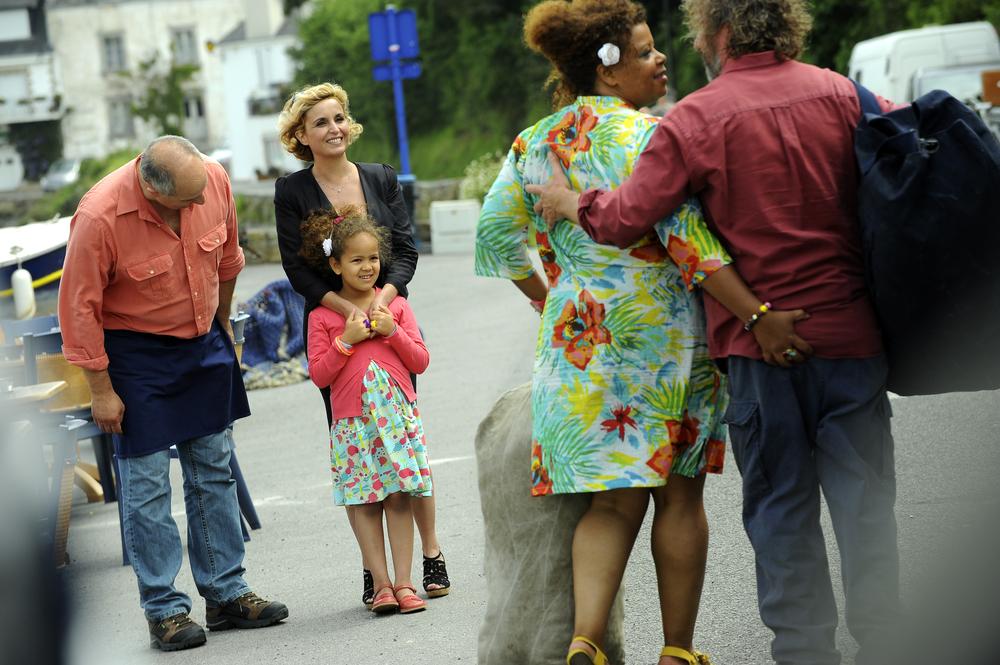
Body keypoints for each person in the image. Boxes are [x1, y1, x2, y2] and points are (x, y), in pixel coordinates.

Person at [527, 1, 901, 663]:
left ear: (721, 31)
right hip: (850, 337)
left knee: (781, 509)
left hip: (759, 353)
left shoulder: (696, 117)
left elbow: (630, 217)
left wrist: (569, 203)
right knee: (867, 506)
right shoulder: (845, 93)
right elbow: (908, 164)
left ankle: (805, 651)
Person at [473, 1, 770, 662]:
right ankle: (677, 650)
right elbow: (689, 243)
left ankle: (585, 639)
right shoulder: (650, 138)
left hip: (578, 349)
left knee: (608, 506)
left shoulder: (535, 142)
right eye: (643, 51)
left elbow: (495, 236)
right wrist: (754, 312)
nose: (660, 59)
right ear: (607, 72)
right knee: (680, 499)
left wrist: (548, 299)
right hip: (666, 347)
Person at [58, 135, 288, 652]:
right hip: (134, 357)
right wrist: (102, 389)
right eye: (187, 201)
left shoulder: (211, 180)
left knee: (214, 469)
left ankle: (227, 594)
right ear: (149, 186)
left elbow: (229, 261)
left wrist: (224, 325)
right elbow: (78, 308)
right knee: (146, 487)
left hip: (202, 338)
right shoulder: (100, 217)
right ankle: (164, 610)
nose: (200, 204)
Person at [275, 82, 450, 608]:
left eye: (339, 118)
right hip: (337, 328)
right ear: (301, 136)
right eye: (321, 123)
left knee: (405, 450)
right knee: (361, 459)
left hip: (385, 318)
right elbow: (295, 269)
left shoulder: (380, 178)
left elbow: (406, 251)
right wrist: (348, 313)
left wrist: (383, 302)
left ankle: (431, 552)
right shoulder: (293, 191)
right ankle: (378, 577)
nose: (333, 129)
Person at [302, 206, 433, 615]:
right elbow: (320, 375)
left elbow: (420, 361)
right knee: (364, 502)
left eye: (373, 258)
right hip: (353, 426)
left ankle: (406, 582)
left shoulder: (395, 308)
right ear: (335, 264)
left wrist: (392, 332)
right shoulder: (323, 317)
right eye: (356, 259)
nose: (367, 267)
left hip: (396, 420)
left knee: (398, 498)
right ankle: (380, 585)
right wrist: (346, 340)